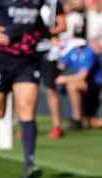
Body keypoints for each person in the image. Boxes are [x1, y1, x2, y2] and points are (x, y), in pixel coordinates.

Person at [0, 0, 62, 178]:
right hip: (2, 59)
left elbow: (38, 22)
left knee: (27, 110)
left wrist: (49, 33)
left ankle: (29, 162)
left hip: (27, 60)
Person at [56, 38, 102, 129]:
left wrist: (64, 79)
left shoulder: (88, 53)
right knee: (88, 122)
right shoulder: (73, 52)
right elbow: (61, 66)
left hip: (95, 86)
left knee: (72, 86)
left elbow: (83, 76)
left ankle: (77, 119)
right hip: (87, 86)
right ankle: (77, 119)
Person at [37, 0, 67, 139]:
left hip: (48, 51)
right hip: (29, 50)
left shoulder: (54, 3)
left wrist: (48, 33)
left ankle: (56, 126)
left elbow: (62, 24)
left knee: (51, 88)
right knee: (28, 88)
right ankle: (28, 124)